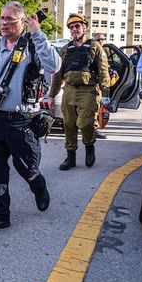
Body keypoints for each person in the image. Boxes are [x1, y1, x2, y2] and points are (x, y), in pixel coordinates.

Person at [0, 1, 58, 234]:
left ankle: (38, 185)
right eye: (2, 18)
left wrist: (37, 33)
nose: (4, 22)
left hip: (23, 121)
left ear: (22, 21)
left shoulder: (33, 45)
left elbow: (54, 65)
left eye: (10, 19)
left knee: (27, 168)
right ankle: (0, 216)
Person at [50, 13, 110, 170]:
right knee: (68, 124)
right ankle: (71, 157)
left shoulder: (95, 48)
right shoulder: (65, 50)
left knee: (85, 123)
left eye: (77, 26)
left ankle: (89, 146)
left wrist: (106, 96)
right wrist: (52, 95)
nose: (74, 29)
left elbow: (104, 72)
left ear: (85, 27)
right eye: (71, 27)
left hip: (88, 91)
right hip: (69, 91)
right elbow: (57, 74)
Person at [92, 33, 110, 139]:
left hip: (96, 84)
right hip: (94, 84)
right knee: (95, 107)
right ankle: (94, 129)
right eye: (100, 39)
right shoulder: (95, 50)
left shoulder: (100, 51)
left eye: (103, 39)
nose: (102, 41)